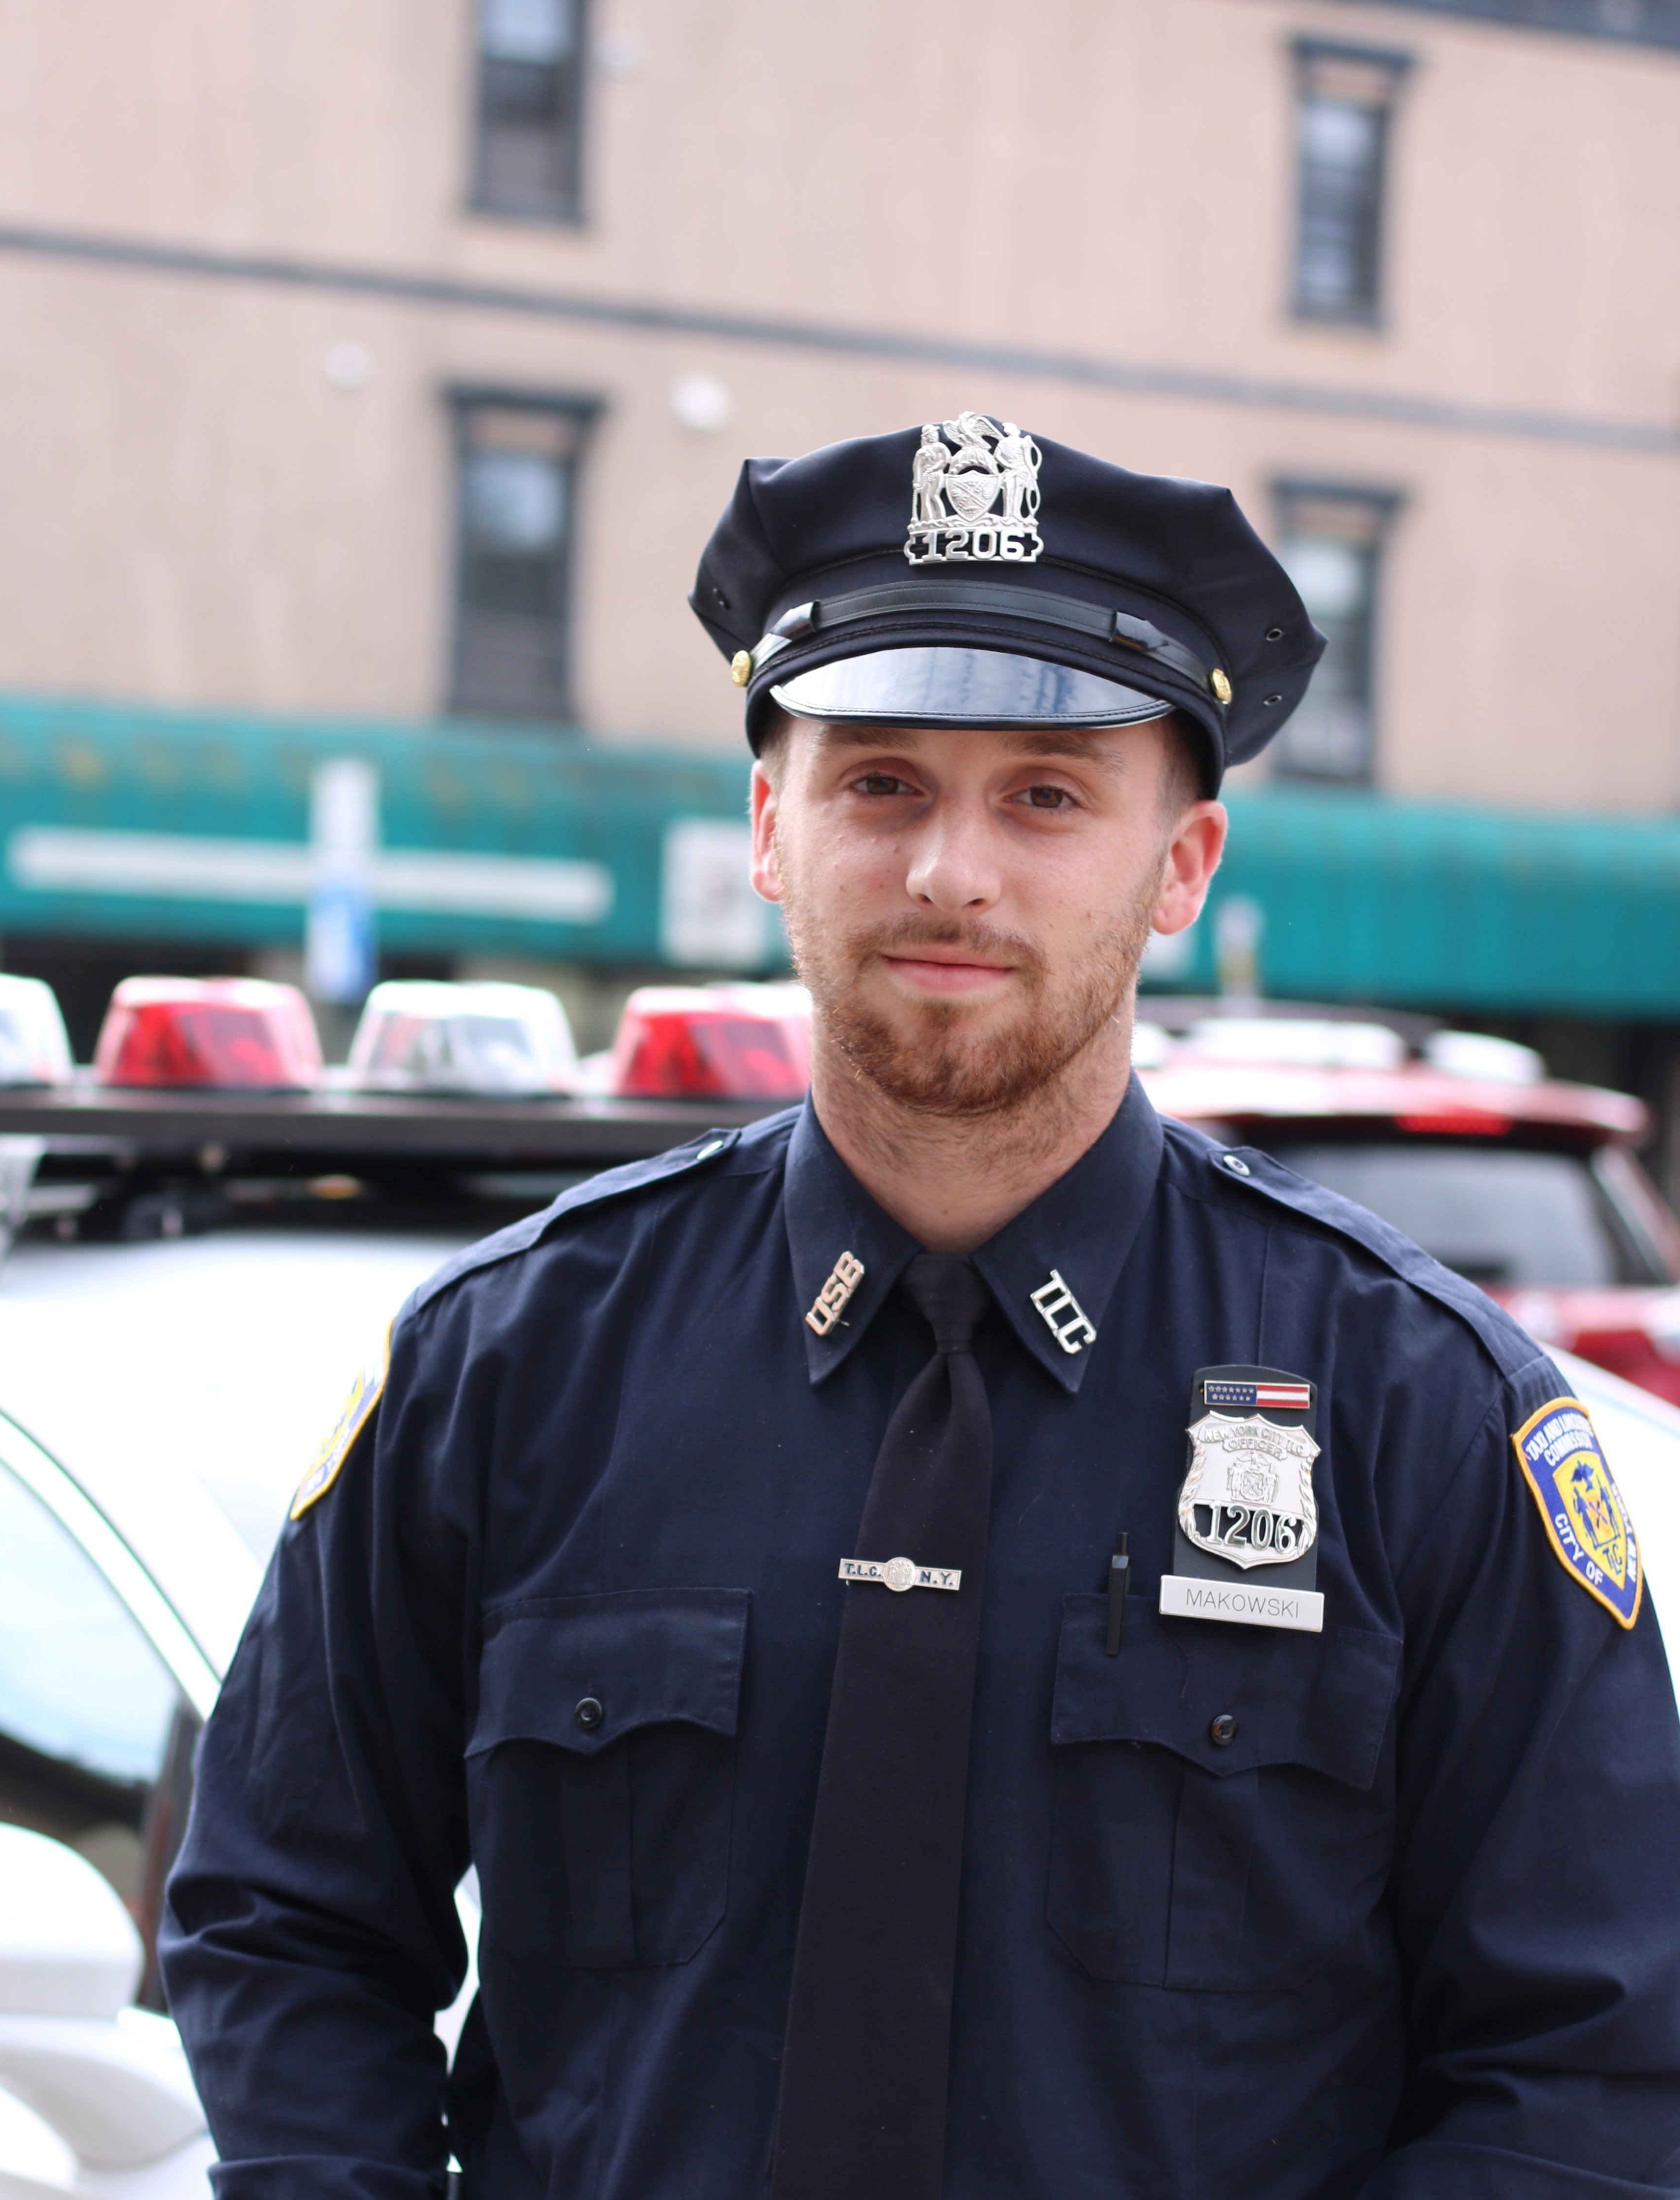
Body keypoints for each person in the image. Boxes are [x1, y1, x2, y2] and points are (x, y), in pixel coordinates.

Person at [162, 419, 1680, 2199]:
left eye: (1045, 793)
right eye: (877, 780)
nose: (949, 867)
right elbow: (285, 1922)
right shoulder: (508, 1367)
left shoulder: (1418, 1416)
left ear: (1178, 867)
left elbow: (1588, 2069)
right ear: (767, 824)